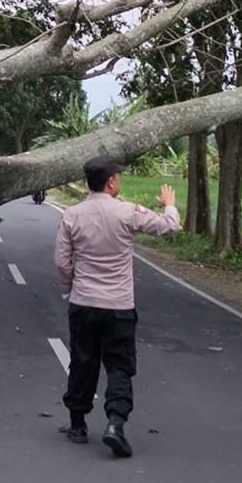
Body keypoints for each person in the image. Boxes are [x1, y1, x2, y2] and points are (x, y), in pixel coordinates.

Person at [54, 155, 179, 458]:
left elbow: (61, 261)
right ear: (111, 182)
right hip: (119, 307)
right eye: (118, 177)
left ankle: (78, 425)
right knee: (119, 366)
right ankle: (115, 424)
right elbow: (168, 227)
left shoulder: (72, 214)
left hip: (83, 304)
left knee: (83, 363)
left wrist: (69, 289)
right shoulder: (127, 212)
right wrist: (169, 203)